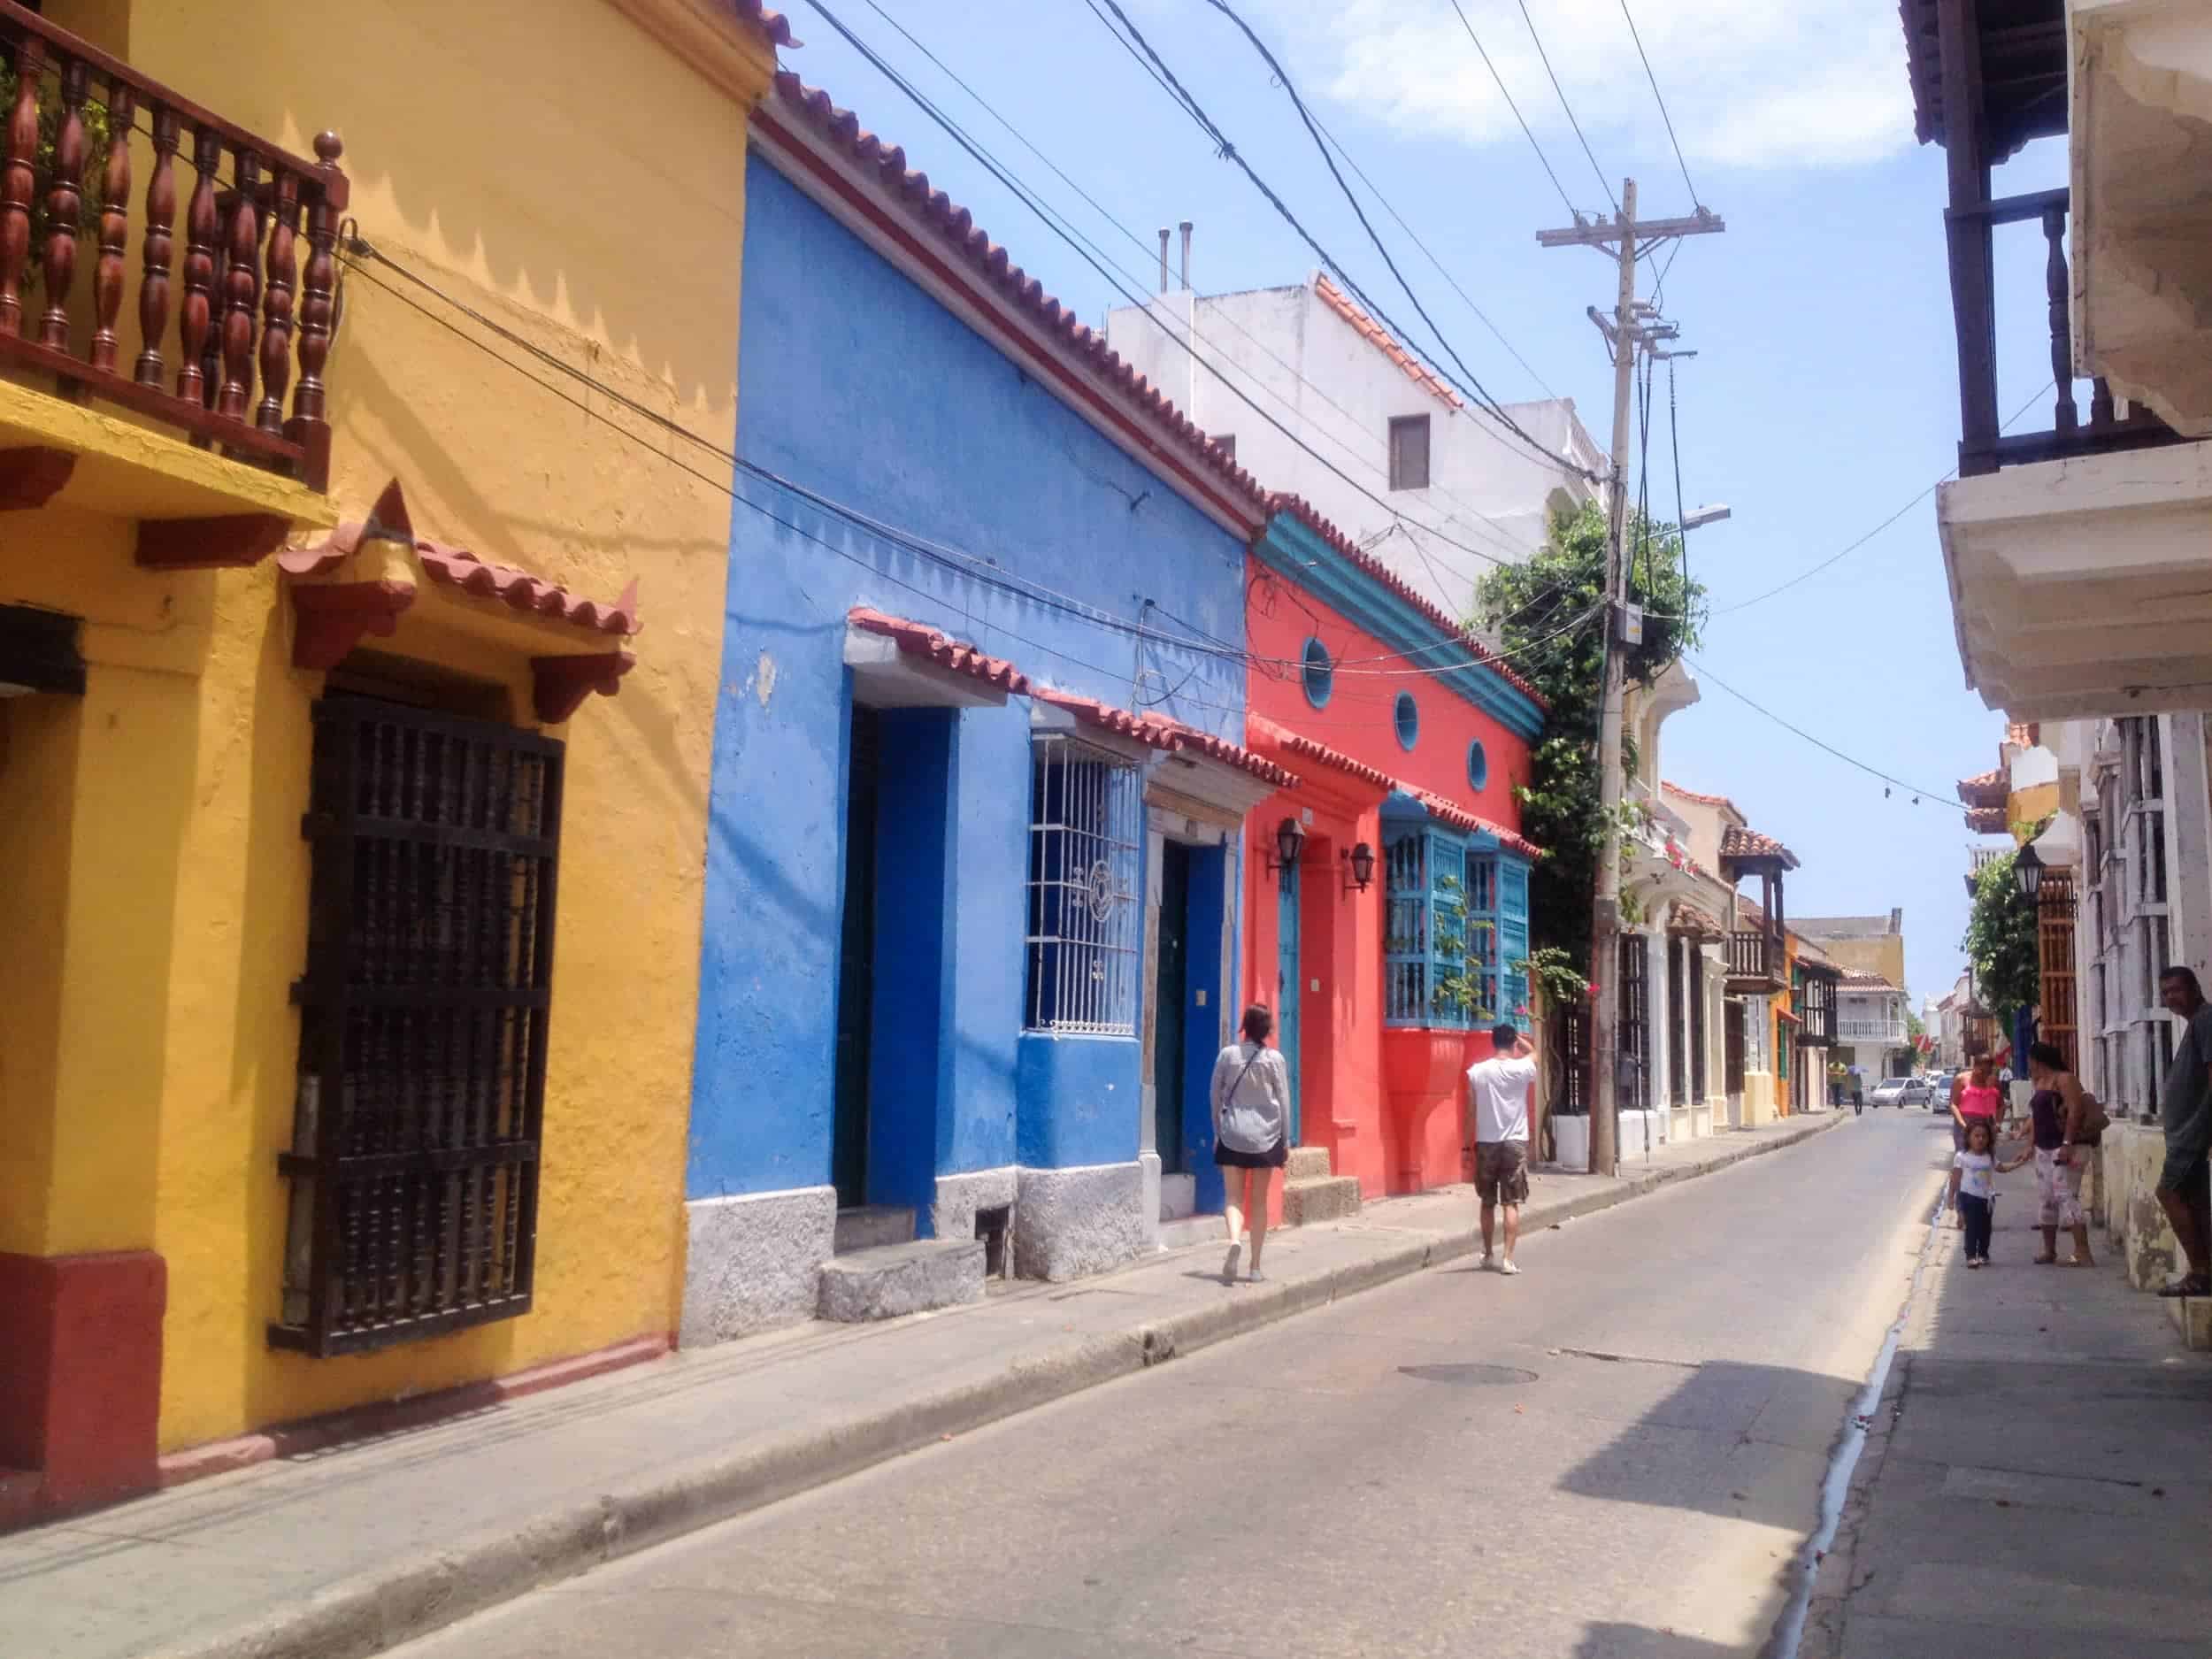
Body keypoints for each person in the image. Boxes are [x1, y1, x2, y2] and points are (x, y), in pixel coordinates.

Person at [1211, 1003, 1292, 1285]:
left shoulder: (1227, 1055)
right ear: (1267, 1029)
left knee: (1233, 1198)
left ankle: (1235, 1240)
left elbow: (1215, 1096)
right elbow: (1283, 1102)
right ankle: (1255, 1267)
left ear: (1244, 1025)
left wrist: (1218, 1131)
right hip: (1265, 1138)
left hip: (1232, 1135)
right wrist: (1286, 1139)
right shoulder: (1275, 1060)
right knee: (1258, 1202)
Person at [1462, 1020, 1537, 1276]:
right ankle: (1507, 1259)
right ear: (1513, 1043)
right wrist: (1521, 1041)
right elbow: (1535, 1053)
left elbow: (1470, 1111)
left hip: (1486, 1142)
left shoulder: (1477, 1072)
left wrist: (1465, 1146)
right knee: (1511, 1203)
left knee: (1487, 1202)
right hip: (1515, 1142)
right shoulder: (1522, 1068)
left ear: (1492, 1042)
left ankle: (1487, 1252)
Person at [2154, 966, 2212, 1298]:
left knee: (2169, 1193)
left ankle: (2201, 1270)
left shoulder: (2206, 1021)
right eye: (2165, 993)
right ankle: (2203, 1272)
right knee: (2196, 1202)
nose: (2170, 998)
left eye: (2176, 990)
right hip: (2185, 1134)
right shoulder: (2196, 1025)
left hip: (2194, 1133)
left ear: (2194, 988)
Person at [2023, 1041, 2096, 1268]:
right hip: (2044, 1148)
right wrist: (2029, 1144)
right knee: (2046, 1199)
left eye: (2030, 1060)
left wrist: (2067, 1143)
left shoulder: (2065, 1079)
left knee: (2066, 1196)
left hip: (2065, 1147)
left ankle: (2083, 1253)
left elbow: (2075, 1110)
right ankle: (2049, 1251)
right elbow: (2037, 1117)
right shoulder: (2040, 1082)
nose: (2029, 1065)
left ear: (2036, 1059)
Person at [1949, 1118, 2004, 1269]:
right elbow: (1955, 1179)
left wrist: (2020, 1162)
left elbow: (2002, 1168)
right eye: (1977, 1136)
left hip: (1987, 1199)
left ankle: (1984, 1254)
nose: (1980, 1139)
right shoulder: (1961, 1157)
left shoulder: (1989, 1157)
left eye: (1984, 1136)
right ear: (1968, 1138)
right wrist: (1951, 1198)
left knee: (1986, 1229)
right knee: (1971, 1227)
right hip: (1968, 1197)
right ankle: (1971, 1256)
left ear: (1988, 1139)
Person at [1951, 1055, 2001, 1156]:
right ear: (1975, 1067)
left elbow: (2001, 1106)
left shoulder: (1994, 1081)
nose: (1985, 1075)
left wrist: (1998, 1123)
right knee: (1963, 1159)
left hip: (1985, 1128)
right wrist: (1963, 1125)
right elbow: (1953, 1105)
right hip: (1964, 1127)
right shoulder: (1961, 1079)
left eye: (1988, 1072)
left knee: (1984, 1160)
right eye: (1982, 1071)